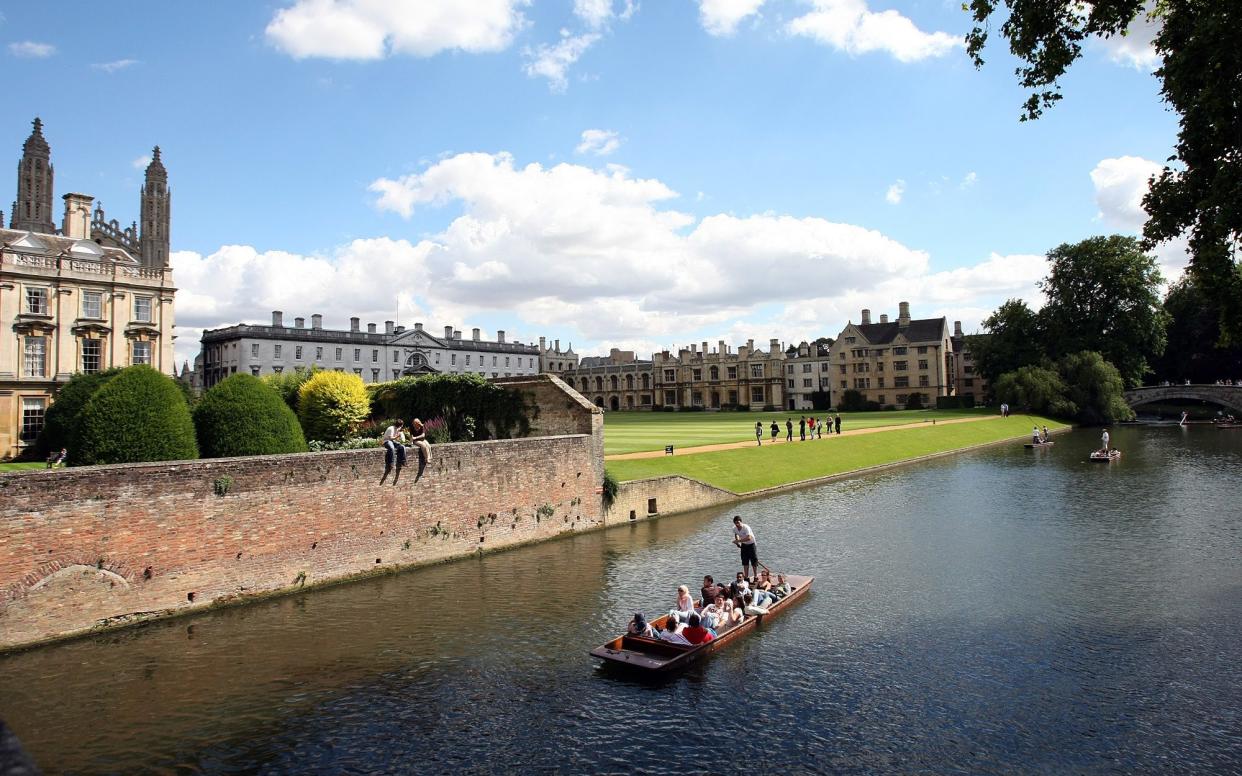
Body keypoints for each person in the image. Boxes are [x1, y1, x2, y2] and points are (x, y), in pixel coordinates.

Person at [379, 419, 407, 484]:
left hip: (393, 441)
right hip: (386, 441)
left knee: (402, 447)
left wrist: (401, 437)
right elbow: (390, 438)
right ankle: (391, 463)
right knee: (391, 448)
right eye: (402, 426)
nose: (402, 427)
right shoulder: (391, 428)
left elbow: (403, 440)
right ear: (400, 425)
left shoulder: (398, 430)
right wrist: (397, 436)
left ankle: (403, 461)